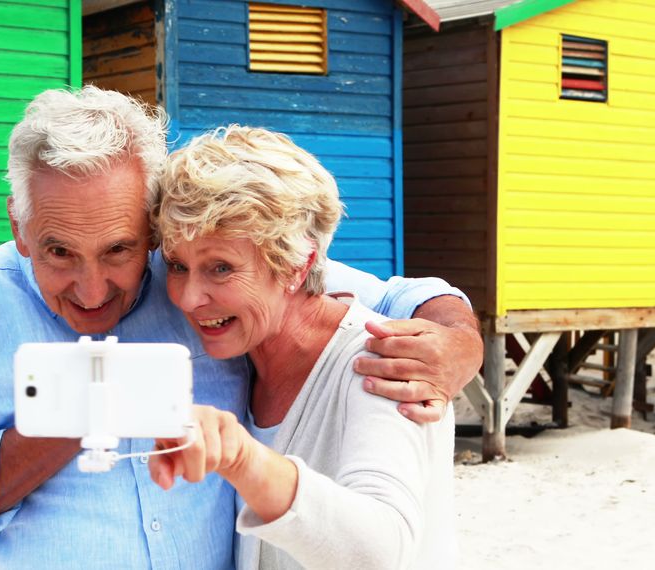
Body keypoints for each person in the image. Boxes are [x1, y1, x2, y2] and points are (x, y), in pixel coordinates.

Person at [0, 86, 480, 568]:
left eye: (119, 250)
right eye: (58, 252)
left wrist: (459, 337)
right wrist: (79, 408)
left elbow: (346, 285)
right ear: (20, 229)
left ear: (148, 228)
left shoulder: (190, 266)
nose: (92, 290)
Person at [149, 125, 455, 569]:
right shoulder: (246, 360)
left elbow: (380, 550)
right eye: (178, 265)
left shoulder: (382, 361)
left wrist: (243, 459)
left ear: (298, 265)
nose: (189, 297)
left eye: (220, 268)